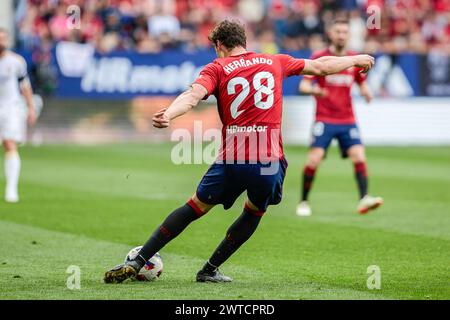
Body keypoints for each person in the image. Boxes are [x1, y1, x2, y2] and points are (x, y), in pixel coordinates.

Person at [104, 20, 375, 283]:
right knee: (254, 212)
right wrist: (355, 59)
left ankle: (137, 261)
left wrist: (169, 114)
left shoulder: (217, 67)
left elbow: (193, 95)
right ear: (244, 42)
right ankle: (210, 269)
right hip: (268, 162)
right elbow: (320, 66)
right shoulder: (274, 61)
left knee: (193, 207)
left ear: (220, 45)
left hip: (232, 160)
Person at [296, 19, 383, 217]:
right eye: (338, 31)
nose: (342, 35)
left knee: (359, 156)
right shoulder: (320, 57)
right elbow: (303, 86)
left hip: (347, 119)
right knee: (314, 160)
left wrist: (366, 92)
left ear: (349, 35)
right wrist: (316, 91)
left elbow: (360, 82)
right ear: (330, 34)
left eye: (345, 32)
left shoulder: (354, 59)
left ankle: (364, 198)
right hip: (324, 119)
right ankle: (303, 201)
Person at [0, 28, 36, 203]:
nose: (2, 42)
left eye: (3, 39)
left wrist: (31, 107)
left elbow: (25, 85)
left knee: (9, 143)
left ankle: (11, 189)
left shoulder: (16, 61)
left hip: (11, 107)